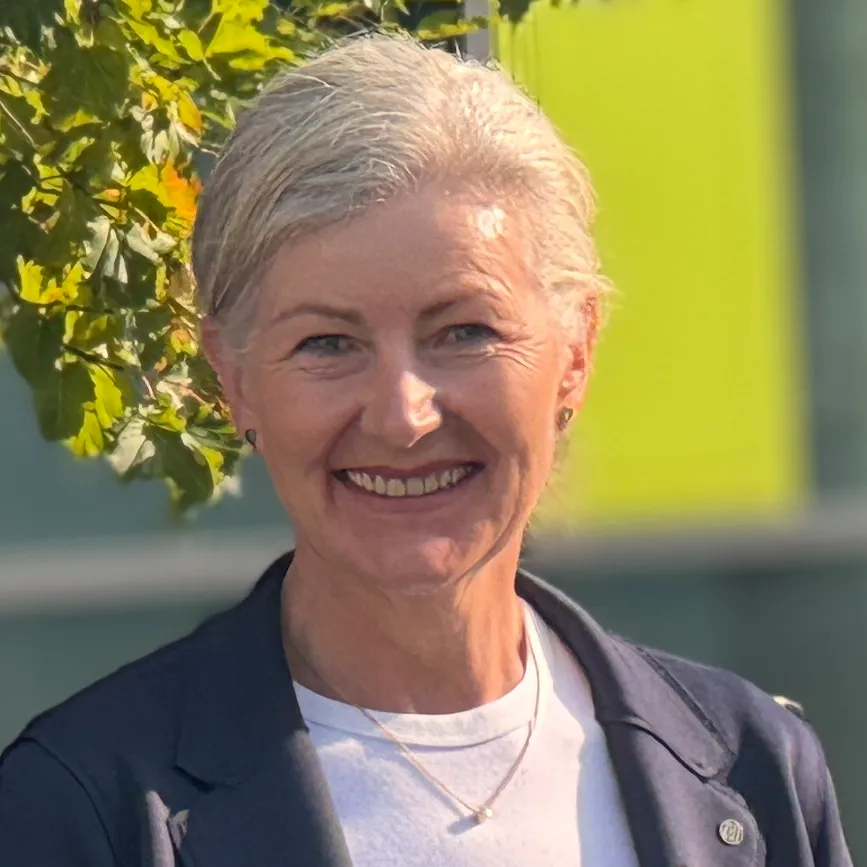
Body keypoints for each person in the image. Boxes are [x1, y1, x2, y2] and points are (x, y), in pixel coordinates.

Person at [0, 33, 852, 867]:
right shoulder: (83, 807)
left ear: (576, 352)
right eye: (328, 343)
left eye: (464, 331)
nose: (402, 417)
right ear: (235, 378)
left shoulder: (753, 767)